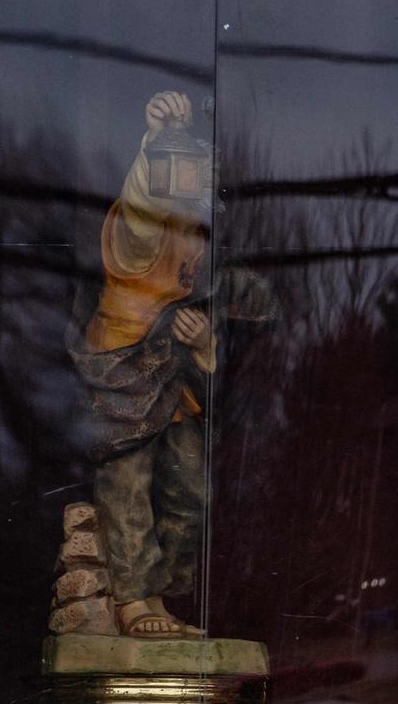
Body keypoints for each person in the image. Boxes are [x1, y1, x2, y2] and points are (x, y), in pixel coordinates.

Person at [70, 91, 272, 639]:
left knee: (191, 488)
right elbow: (139, 210)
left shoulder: (202, 252)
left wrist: (208, 345)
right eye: (181, 179)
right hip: (124, 377)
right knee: (128, 481)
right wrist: (154, 142)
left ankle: (162, 596)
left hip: (175, 385)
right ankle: (134, 602)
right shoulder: (141, 238)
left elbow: (256, 304)